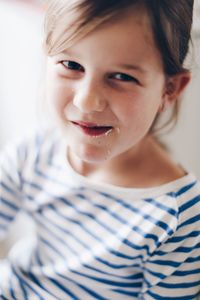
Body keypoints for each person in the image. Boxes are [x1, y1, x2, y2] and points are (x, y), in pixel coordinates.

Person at [0, 0, 199, 299]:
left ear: (170, 89)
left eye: (121, 77)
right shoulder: (36, 151)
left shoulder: (178, 217)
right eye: (71, 65)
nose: (87, 101)